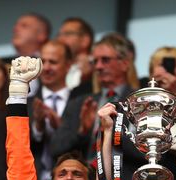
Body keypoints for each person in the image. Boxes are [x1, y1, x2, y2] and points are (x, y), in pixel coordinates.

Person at [52, 33, 134, 161]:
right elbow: (56, 149)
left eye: (105, 60)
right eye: (95, 61)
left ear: (124, 64)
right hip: (86, 176)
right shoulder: (79, 103)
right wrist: (82, 132)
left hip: (126, 175)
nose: (98, 66)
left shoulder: (139, 102)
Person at [31, 40, 73, 180]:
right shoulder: (27, 103)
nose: (46, 67)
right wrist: (38, 127)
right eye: (43, 61)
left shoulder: (81, 101)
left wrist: (61, 129)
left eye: (53, 62)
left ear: (68, 65)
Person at [56, 17, 94, 93]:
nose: (60, 39)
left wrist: (87, 77)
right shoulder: (56, 67)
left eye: (67, 34)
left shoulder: (97, 67)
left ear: (85, 40)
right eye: (59, 34)